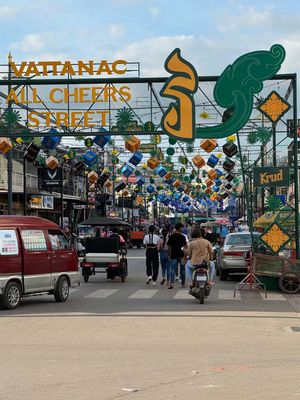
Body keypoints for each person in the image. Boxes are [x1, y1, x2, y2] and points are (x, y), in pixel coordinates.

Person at [167, 222, 188, 289]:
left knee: (172, 269)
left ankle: (172, 284)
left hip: (173, 255)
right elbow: (185, 247)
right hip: (181, 255)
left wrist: (169, 255)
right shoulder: (183, 237)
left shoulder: (171, 236)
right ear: (180, 228)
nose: (183, 229)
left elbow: (169, 247)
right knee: (183, 269)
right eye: (182, 227)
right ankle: (183, 284)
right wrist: (185, 256)